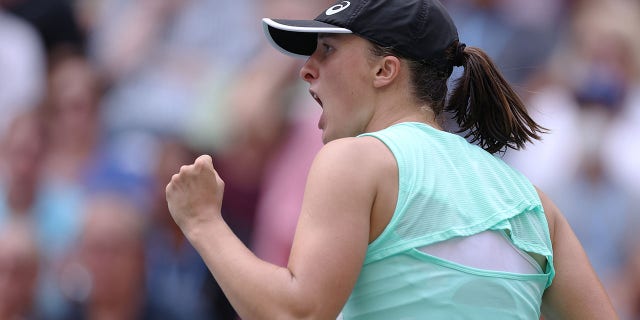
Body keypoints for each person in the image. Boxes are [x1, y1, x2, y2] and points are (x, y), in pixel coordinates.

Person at [165, 0, 617, 319]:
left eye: (327, 50)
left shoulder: (356, 162)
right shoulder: (533, 201)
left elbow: (296, 313)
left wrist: (203, 222)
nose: (306, 68)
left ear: (385, 70)